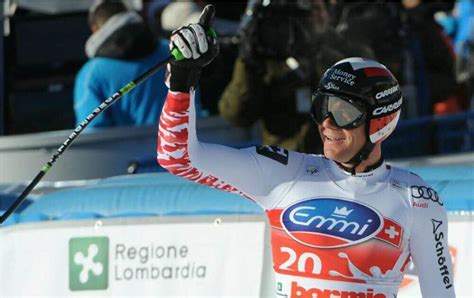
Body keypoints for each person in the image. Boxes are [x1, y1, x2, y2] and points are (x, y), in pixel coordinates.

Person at [157, 5, 456, 298]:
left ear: (381, 122)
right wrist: (182, 82)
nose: (326, 123)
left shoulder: (416, 198)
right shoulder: (284, 173)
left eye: (342, 112)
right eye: (321, 108)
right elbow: (178, 157)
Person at [219, 0, 374, 154]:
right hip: (284, 163)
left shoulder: (346, 51)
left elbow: (369, 99)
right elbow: (237, 115)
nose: (311, 17)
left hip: (338, 161)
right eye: (304, 13)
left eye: (315, 9)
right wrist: (247, 60)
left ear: (328, 12)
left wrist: (316, 51)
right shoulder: (267, 61)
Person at [73, 0, 169, 128]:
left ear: (94, 29)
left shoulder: (91, 74)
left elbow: (92, 135)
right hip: (186, 144)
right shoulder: (172, 52)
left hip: (129, 147)